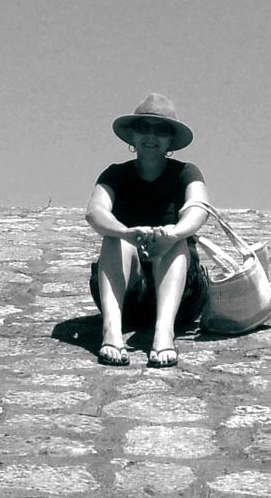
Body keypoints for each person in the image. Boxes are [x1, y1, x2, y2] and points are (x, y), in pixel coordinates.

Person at [85, 93, 209, 367]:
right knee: (114, 239)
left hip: (183, 299)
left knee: (173, 237)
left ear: (170, 140)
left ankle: (164, 334)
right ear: (132, 135)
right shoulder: (115, 175)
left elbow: (199, 208)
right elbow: (95, 212)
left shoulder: (186, 173)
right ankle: (111, 332)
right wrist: (126, 233)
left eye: (161, 130)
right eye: (143, 127)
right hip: (128, 298)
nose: (151, 136)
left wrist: (173, 235)